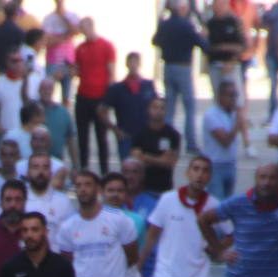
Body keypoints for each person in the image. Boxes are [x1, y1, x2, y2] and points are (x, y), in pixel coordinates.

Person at [154, 1, 208, 152]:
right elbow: (203, 45)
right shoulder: (187, 25)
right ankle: (190, 143)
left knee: (169, 106)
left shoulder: (164, 24)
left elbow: (155, 41)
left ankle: (167, 142)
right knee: (189, 106)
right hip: (183, 66)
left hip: (168, 65)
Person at [72, 18, 115, 174]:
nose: (83, 32)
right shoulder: (80, 49)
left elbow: (111, 72)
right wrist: (70, 70)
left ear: (91, 26)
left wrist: (108, 99)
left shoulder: (106, 46)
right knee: (82, 136)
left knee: (101, 136)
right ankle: (84, 167)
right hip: (83, 95)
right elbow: (77, 71)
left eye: (84, 28)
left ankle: (104, 170)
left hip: (100, 97)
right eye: (81, 29)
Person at [101, 53, 158, 165]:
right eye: (131, 62)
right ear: (126, 64)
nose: (133, 65)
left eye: (135, 62)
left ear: (139, 64)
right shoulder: (117, 88)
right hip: (126, 135)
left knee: (147, 167)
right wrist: (115, 130)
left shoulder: (148, 85)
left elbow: (156, 106)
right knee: (128, 167)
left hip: (146, 134)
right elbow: (102, 110)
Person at [129, 98, 181, 198]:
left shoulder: (173, 135)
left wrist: (145, 157)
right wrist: (160, 160)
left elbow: (169, 163)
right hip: (143, 188)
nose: (158, 111)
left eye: (162, 108)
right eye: (155, 107)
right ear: (148, 109)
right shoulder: (139, 133)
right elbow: (136, 161)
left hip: (165, 188)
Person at [201, 79, 243, 200]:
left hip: (231, 163)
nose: (234, 99)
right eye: (231, 95)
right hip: (215, 166)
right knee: (217, 204)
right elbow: (225, 141)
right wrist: (238, 124)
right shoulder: (211, 115)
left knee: (228, 204)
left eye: (235, 95)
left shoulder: (233, 114)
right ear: (220, 96)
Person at [0, 48, 31, 139]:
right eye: (14, 61)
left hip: (24, 132)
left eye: (20, 60)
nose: (17, 64)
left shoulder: (30, 80)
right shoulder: (1, 81)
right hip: (6, 133)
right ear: (7, 62)